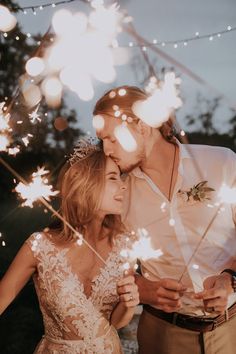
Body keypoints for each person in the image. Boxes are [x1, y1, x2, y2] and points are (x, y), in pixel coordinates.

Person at [93, 85, 236, 354]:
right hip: (163, 336)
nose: (106, 149)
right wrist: (141, 287)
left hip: (233, 329)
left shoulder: (223, 163)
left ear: (142, 126)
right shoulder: (118, 194)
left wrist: (231, 280)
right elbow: (103, 268)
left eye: (111, 138)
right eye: (102, 140)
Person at [0, 139, 139, 354]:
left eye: (120, 177)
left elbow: (116, 322)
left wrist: (129, 305)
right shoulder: (39, 247)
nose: (123, 185)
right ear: (85, 183)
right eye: (113, 177)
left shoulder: (124, 245)